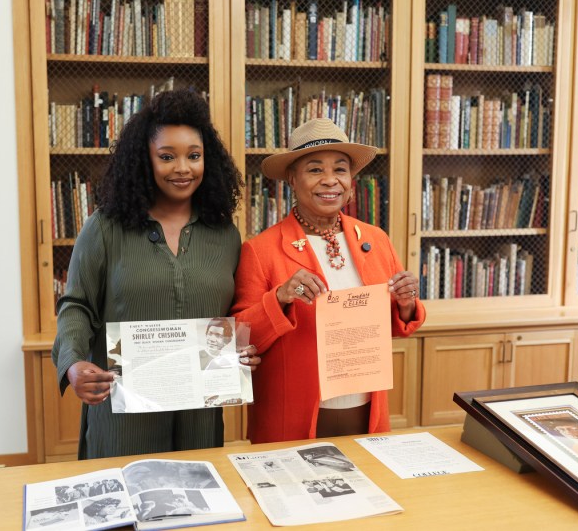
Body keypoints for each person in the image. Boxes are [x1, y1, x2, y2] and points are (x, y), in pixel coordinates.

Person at [51, 89, 260, 459]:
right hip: (125, 419)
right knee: (125, 510)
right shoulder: (105, 227)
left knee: (200, 507)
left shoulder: (225, 234)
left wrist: (241, 349)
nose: (183, 168)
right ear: (144, 161)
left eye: (194, 156)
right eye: (167, 157)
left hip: (199, 414)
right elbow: (76, 304)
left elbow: (233, 316)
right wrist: (73, 364)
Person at [231, 118, 426, 444]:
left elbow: (395, 325)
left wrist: (406, 303)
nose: (330, 181)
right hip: (293, 414)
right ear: (292, 178)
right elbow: (238, 338)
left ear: (351, 180)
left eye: (340, 169)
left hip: (365, 407)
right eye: (315, 170)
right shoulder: (260, 250)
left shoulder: (376, 240)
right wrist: (280, 296)